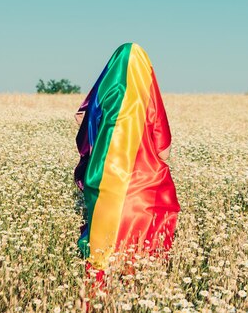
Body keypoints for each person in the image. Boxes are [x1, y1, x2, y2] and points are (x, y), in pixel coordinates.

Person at [73, 42, 180, 289]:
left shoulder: (104, 96)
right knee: (154, 217)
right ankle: (136, 285)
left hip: (103, 181)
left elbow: (81, 125)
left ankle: (99, 295)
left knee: (102, 247)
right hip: (141, 187)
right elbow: (164, 151)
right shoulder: (148, 98)